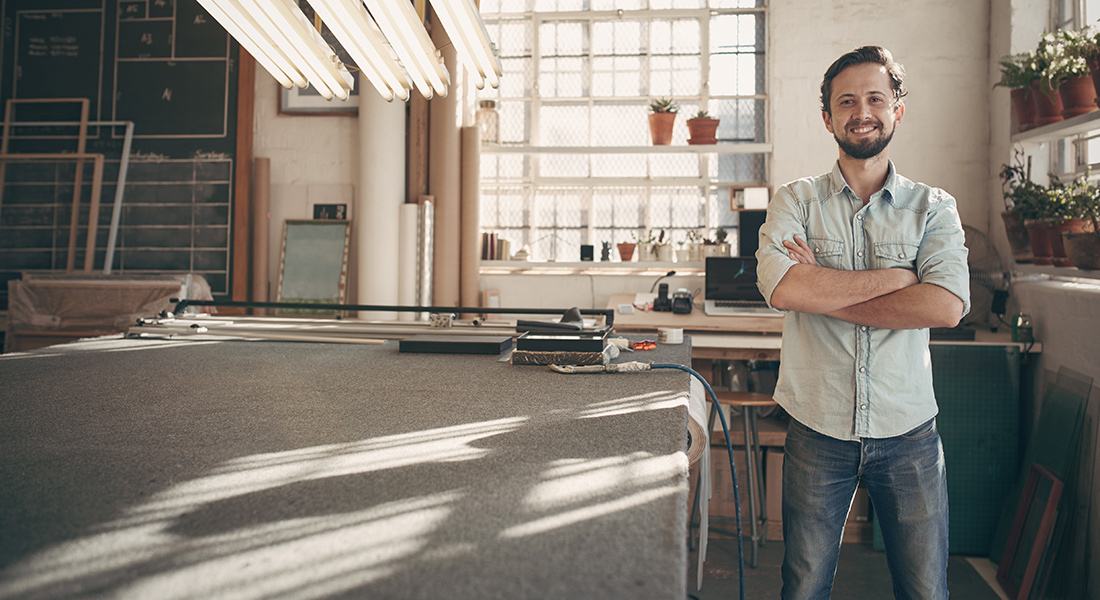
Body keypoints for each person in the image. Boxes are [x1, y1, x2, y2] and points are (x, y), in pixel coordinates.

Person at [755, 46, 971, 600]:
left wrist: (822, 290)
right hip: (816, 424)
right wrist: (901, 278)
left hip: (909, 432)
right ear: (827, 117)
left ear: (898, 109)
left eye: (876, 98)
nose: (862, 111)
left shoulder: (934, 207)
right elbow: (781, 287)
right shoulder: (794, 201)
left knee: (925, 590)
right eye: (846, 101)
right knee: (802, 587)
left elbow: (945, 305)